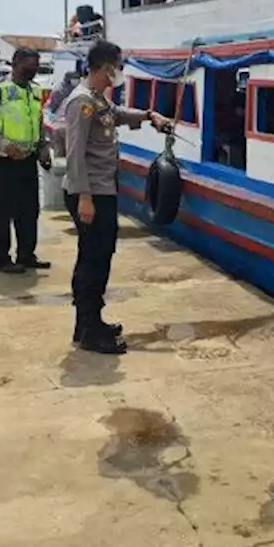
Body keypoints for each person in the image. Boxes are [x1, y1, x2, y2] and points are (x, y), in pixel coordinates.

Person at [61, 40, 170, 353]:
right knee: (93, 260)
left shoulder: (97, 99)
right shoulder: (81, 101)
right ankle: (88, 330)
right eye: (116, 66)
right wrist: (84, 196)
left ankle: (89, 322)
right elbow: (74, 154)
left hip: (102, 189)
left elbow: (115, 116)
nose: (118, 72)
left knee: (100, 256)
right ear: (102, 67)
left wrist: (149, 115)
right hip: (91, 192)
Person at [0, 48, 51, 274]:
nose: (34, 69)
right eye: (29, 64)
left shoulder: (35, 91)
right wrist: (4, 145)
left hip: (27, 161)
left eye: (37, 64)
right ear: (15, 63)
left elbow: (37, 123)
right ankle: (0, 258)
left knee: (28, 211)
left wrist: (43, 148)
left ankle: (26, 255)